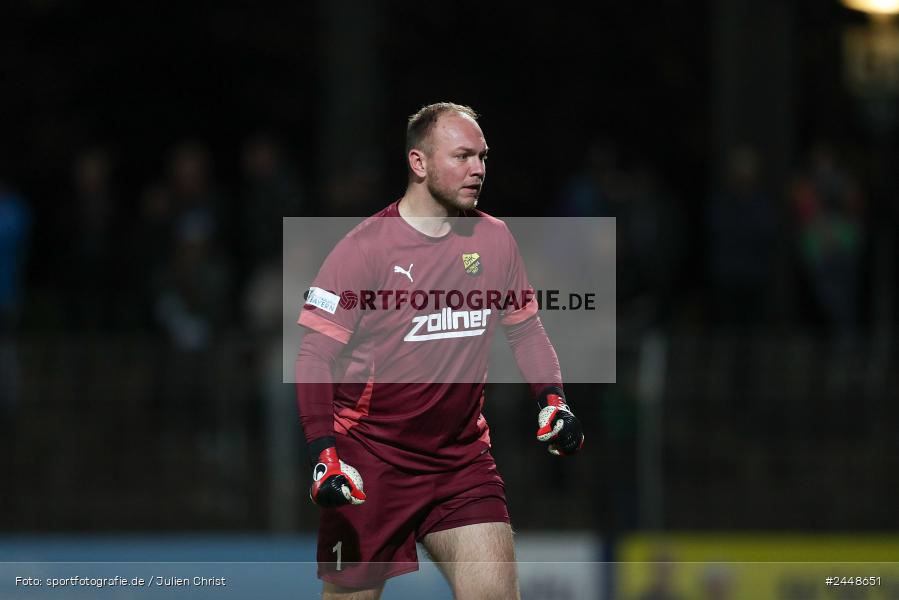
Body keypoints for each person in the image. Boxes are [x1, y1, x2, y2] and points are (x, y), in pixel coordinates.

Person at [295, 102, 584, 600]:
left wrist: (553, 401)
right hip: (370, 464)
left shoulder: (494, 239)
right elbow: (313, 357)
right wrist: (324, 455)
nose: (478, 169)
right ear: (419, 163)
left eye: (483, 157)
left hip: (461, 462)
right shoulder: (364, 249)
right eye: (463, 156)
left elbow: (526, 330)